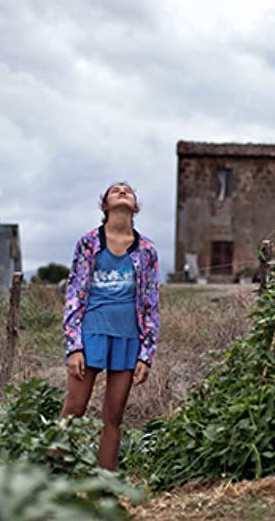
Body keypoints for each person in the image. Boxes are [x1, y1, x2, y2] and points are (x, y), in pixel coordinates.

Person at [61, 181, 160, 470]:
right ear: (104, 206)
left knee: (113, 416)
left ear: (135, 207)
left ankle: (105, 485)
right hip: (91, 333)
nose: (122, 191)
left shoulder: (147, 250)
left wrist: (146, 354)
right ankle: (51, 479)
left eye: (128, 190)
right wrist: (74, 347)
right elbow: (74, 294)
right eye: (115, 190)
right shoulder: (89, 242)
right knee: (73, 410)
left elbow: (151, 303)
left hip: (128, 339)